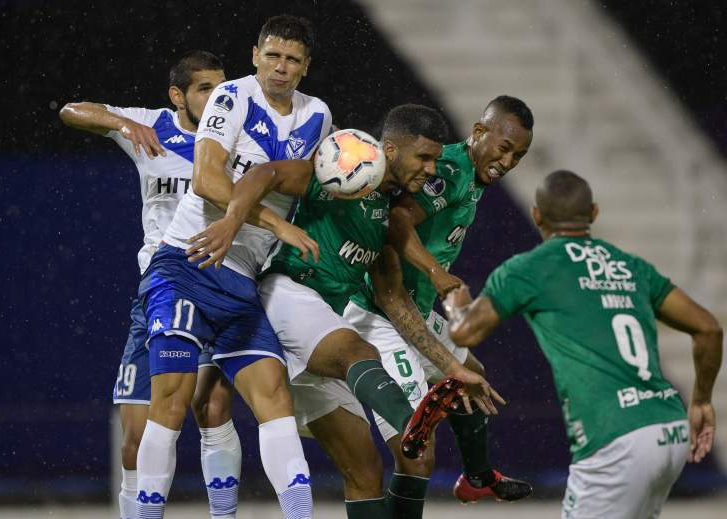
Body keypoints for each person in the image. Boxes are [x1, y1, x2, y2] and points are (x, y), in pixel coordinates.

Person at [188, 104, 502, 518]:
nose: (430, 170)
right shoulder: (344, 163)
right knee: (361, 354)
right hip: (287, 293)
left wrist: (450, 367)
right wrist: (235, 220)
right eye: (423, 158)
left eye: (436, 160)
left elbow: (394, 301)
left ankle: (410, 428)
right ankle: (410, 422)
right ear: (390, 149)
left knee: (366, 471)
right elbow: (267, 175)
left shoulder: (390, 214)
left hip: (324, 333)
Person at [136, 15, 330, 519]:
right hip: (186, 260)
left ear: (306, 66)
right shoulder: (233, 96)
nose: (280, 68)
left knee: (272, 396)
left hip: (241, 276)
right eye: (273, 55)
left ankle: (299, 514)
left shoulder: (317, 117)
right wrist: (276, 225)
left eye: (291, 59)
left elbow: (303, 186)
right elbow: (205, 179)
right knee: (173, 404)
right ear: (255, 55)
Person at [443, 170, 722, 519]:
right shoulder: (629, 266)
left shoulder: (529, 269)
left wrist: (456, 303)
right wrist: (702, 402)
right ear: (593, 213)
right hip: (669, 429)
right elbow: (708, 329)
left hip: (614, 437)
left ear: (537, 216)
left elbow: (465, 333)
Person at [345, 96, 535, 516]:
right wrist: (435, 272)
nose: (509, 161)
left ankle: (478, 477)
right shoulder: (448, 171)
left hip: (414, 305)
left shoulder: (472, 175)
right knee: (417, 456)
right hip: (381, 314)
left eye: (519, 155)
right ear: (480, 132)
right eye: (504, 148)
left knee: (474, 378)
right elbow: (397, 221)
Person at [58, 50, 226, 519]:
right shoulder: (151, 125)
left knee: (211, 413)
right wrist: (120, 124)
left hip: (215, 287)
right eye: (204, 89)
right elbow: (71, 111)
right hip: (156, 291)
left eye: (221, 87)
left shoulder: (234, 133)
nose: (217, 99)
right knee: (135, 439)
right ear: (178, 95)